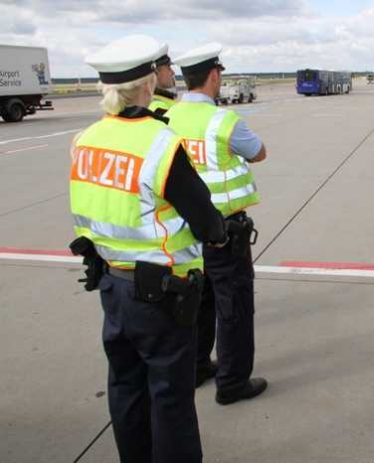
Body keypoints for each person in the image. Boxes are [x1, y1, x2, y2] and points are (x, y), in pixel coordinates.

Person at [69, 34, 228, 462]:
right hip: (158, 294)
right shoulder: (159, 143)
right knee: (170, 398)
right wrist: (216, 236)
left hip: (111, 285)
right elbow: (205, 218)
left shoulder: (86, 139)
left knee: (125, 387)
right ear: (145, 86)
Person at [166, 43, 268, 405]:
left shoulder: (168, 118)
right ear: (214, 76)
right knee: (234, 305)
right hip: (224, 231)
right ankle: (232, 382)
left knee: (199, 299)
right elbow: (258, 152)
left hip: (183, 230)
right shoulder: (224, 121)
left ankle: (196, 367)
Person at [149, 48, 178, 116]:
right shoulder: (158, 107)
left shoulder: (161, 100)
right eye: (168, 68)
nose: (173, 72)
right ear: (156, 72)